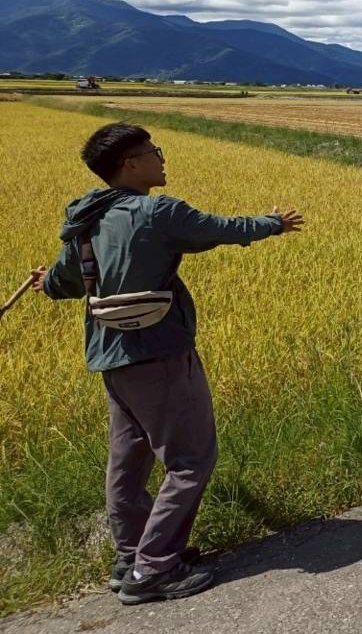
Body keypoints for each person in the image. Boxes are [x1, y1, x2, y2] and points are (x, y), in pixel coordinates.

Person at [30, 122, 304, 605]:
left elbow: (62, 284)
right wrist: (273, 222)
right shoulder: (158, 212)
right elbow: (220, 229)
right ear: (130, 165)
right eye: (153, 151)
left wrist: (44, 281)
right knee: (191, 460)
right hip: (159, 352)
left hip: (111, 358)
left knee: (129, 462)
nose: (161, 157)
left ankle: (130, 558)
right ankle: (152, 570)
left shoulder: (85, 220)